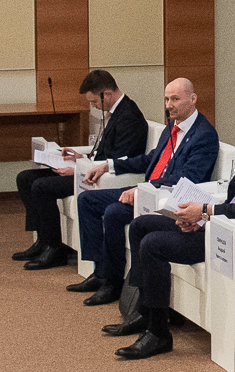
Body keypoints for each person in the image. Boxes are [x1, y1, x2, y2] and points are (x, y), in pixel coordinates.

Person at [107, 94, 235, 361]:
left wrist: (205, 212)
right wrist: (200, 217)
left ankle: (158, 333)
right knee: (141, 225)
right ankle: (145, 312)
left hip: (234, 237)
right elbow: (233, 199)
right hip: (217, 224)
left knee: (153, 245)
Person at [67, 78, 218, 307]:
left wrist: (140, 190)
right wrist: (109, 165)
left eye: (175, 99)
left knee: (114, 212)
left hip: (165, 199)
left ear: (193, 99)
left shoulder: (204, 135)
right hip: (146, 190)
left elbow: (187, 179)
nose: (169, 105)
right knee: (87, 200)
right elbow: (150, 160)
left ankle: (112, 282)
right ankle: (100, 272)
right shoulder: (172, 127)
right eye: (166, 99)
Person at [12, 70, 148, 271]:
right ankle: (42, 240)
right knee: (25, 178)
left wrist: (78, 170)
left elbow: (119, 161)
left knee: (42, 186)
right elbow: (103, 153)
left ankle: (54, 248)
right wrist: (79, 158)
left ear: (107, 94)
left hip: (100, 177)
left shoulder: (129, 117)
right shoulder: (115, 113)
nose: (93, 106)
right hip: (90, 168)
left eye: (94, 101)